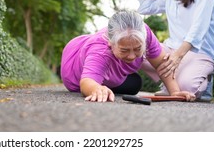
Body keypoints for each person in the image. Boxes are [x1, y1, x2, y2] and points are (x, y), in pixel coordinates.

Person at [137, 0, 214, 102]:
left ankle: (204, 82)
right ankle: (171, 83)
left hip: (199, 52)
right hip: (171, 49)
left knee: (186, 89)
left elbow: (199, 28)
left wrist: (177, 56)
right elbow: (144, 8)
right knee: (136, 52)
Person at [60, 9, 195, 102]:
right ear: (110, 43)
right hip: (74, 69)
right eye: (124, 50)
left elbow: (161, 64)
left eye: (137, 49)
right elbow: (86, 83)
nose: (131, 56)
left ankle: (108, 78)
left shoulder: (144, 32)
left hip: (108, 65)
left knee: (134, 84)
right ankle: (103, 81)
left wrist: (175, 92)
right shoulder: (100, 50)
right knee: (101, 86)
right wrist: (96, 88)